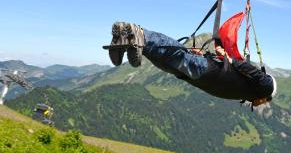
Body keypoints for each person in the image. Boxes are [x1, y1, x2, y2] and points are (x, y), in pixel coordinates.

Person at [106, 22, 276, 107]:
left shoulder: (250, 92)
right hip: (210, 73)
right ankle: (140, 34)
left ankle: (129, 41)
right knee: (177, 55)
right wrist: (229, 60)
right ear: (266, 97)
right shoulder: (266, 87)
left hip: (205, 77)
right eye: (264, 102)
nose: (260, 104)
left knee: (168, 64)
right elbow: (249, 70)